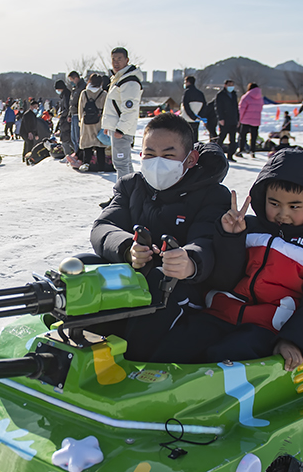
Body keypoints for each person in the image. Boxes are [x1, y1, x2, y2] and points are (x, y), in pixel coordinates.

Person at [148, 148, 303, 368]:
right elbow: (224, 276)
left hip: (269, 327)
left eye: (294, 206)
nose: (283, 213)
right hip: (219, 313)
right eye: (274, 204)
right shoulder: (249, 227)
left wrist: (294, 340)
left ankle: (216, 396)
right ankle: (155, 390)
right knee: (175, 346)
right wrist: (231, 237)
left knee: (226, 356)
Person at [90, 112, 232, 361]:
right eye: (149, 154)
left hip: (182, 286)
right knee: (83, 267)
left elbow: (207, 240)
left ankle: (134, 362)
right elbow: (103, 226)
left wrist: (190, 261)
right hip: (134, 275)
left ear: (190, 159)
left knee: (157, 282)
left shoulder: (212, 195)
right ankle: (79, 343)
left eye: (168, 155)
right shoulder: (130, 185)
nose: (157, 163)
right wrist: (127, 248)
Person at [100, 47, 143, 179]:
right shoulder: (119, 79)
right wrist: (109, 126)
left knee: (121, 164)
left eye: (119, 59)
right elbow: (114, 106)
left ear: (127, 60)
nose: (116, 63)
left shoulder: (129, 81)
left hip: (121, 130)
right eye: (113, 59)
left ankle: (124, 195)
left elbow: (130, 109)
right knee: (124, 163)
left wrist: (121, 129)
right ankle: (129, 192)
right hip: (117, 128)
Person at [76, 74, 109, 172]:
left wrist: (80, 120)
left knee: (87, 145)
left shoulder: (84, 93)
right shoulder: (103, 94)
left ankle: (86, 164)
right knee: (100, 146)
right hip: (99, 122)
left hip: (86, 122)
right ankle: (101, 168)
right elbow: (107, 109)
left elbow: (80, 109)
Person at [213, 80, 240, 157]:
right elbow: (218, 108)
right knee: (222, 137)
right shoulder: (221, 95)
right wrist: (220, 118)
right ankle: (216, 153)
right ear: (225, 85)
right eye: (229, 85)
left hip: (233, 119)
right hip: (225, 119)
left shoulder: (234, 94)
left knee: (232, 139)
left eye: (232, 85)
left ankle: (230, 155)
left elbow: (236, 107)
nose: (231, 87)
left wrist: (238, 119)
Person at [236, 82, 263, 158]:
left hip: (246, 119)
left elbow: (241, 109)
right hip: (256, 120)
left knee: (242, 135)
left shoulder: (246, 97)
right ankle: (252, 151)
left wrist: (240, 119)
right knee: (254, 136)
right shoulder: (260, 98)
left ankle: (241, 150)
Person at [180, 75, 207, 144]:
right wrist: (199, 116)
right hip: (197, 120)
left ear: (188, 82)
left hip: (187, 119)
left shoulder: (187, 92)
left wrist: (192, 116)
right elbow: (204, 105)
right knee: (195, 138)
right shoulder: (200, 93)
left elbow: (186, 106)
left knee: (186, 138)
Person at [67, 71, 86, 155]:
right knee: (73, 137)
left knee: (78, 137)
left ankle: (79, 155)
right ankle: (76, 153)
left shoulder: (82, 87)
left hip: (79, 114)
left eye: (72, 80)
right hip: (73, 113)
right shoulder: (75, 88)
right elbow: (71, 103)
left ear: (76, 78)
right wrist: (69, 114)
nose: (71, 82)